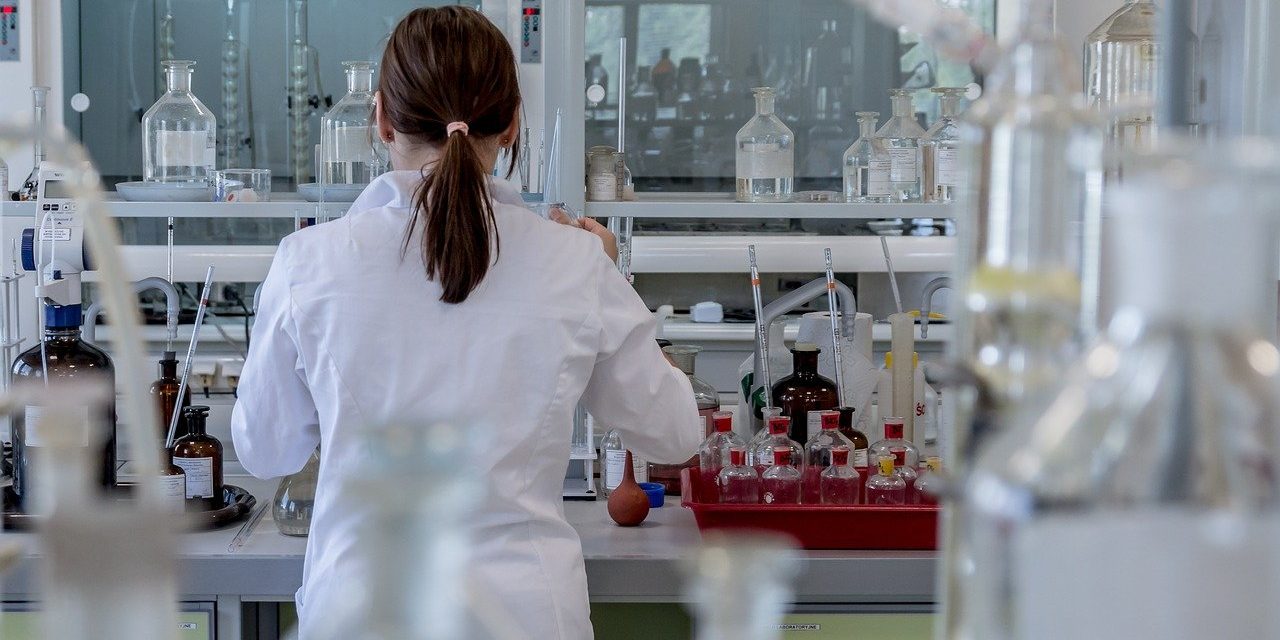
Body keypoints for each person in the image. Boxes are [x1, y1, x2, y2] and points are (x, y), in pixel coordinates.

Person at [230, 7, 700, 639]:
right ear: (509, 124)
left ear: (382, 119)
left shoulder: (309, 262)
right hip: (526, 615)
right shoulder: (576, 262)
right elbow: (674, 435)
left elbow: (265, 452)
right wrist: (616, 284)